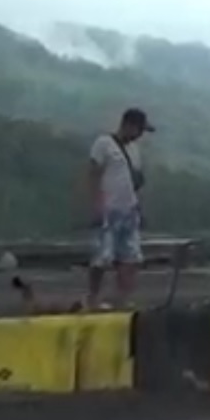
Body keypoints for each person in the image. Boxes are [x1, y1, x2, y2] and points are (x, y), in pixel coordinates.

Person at [85, 107, 154, 310]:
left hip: (129, 210)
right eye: (139, 130)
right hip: (109, 208)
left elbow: (134, 181)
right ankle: (93, 297)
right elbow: (93, 174)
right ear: (129, 125)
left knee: (130, 257)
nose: (140, 135)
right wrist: (97, 203)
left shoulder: (134, 150)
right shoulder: (104, 144)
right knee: (102, 257)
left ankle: (122, 299)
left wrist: (138, 207)